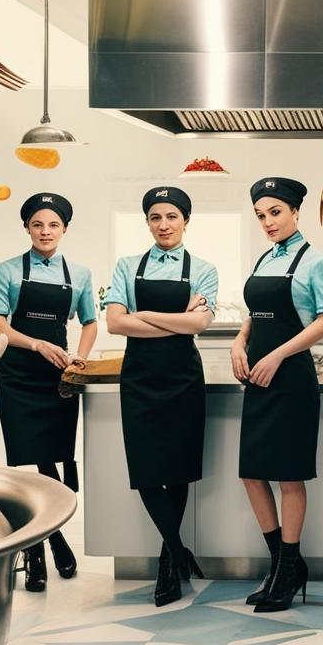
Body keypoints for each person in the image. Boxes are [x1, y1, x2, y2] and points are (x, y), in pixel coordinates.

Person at [105, 186, 217, 607]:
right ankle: (175, 549)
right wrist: (177, 319)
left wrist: (143, 316)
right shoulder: (127, 265)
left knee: (180, 468)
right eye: (155, 217)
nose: (164, 224)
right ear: (147, 222)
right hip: (140, 378)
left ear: (186, 220)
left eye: (172, 216)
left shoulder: (203, 268)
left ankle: (169, 565)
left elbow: (198, 327)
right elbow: (115, 324)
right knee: (148, 470)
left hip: (183, 377)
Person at [233, 177, 323, 613]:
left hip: (291, 378)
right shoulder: (262, 260)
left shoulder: (317, 262)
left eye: (275, 212)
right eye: (261, 215)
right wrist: (239, 342)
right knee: (252, 474)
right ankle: (281, 565)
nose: (268, 222)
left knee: (288, 476)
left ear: (296, 212)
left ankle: (289, 566)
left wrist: (276, 355)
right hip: (258, 377)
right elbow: (253, 316)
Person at [0, 192, 98, 593]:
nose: (45, 231)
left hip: (57, 378)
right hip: (17, 376)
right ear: (27, 228)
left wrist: (78, 358)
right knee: (26, 464)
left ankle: (53, 538)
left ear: (64, 229)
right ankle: (38, 549)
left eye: (53, 225)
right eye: (37, 224)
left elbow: (89, 322)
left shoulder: (79, 273)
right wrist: (35, 344)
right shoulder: (9, 270)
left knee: (54, 463)